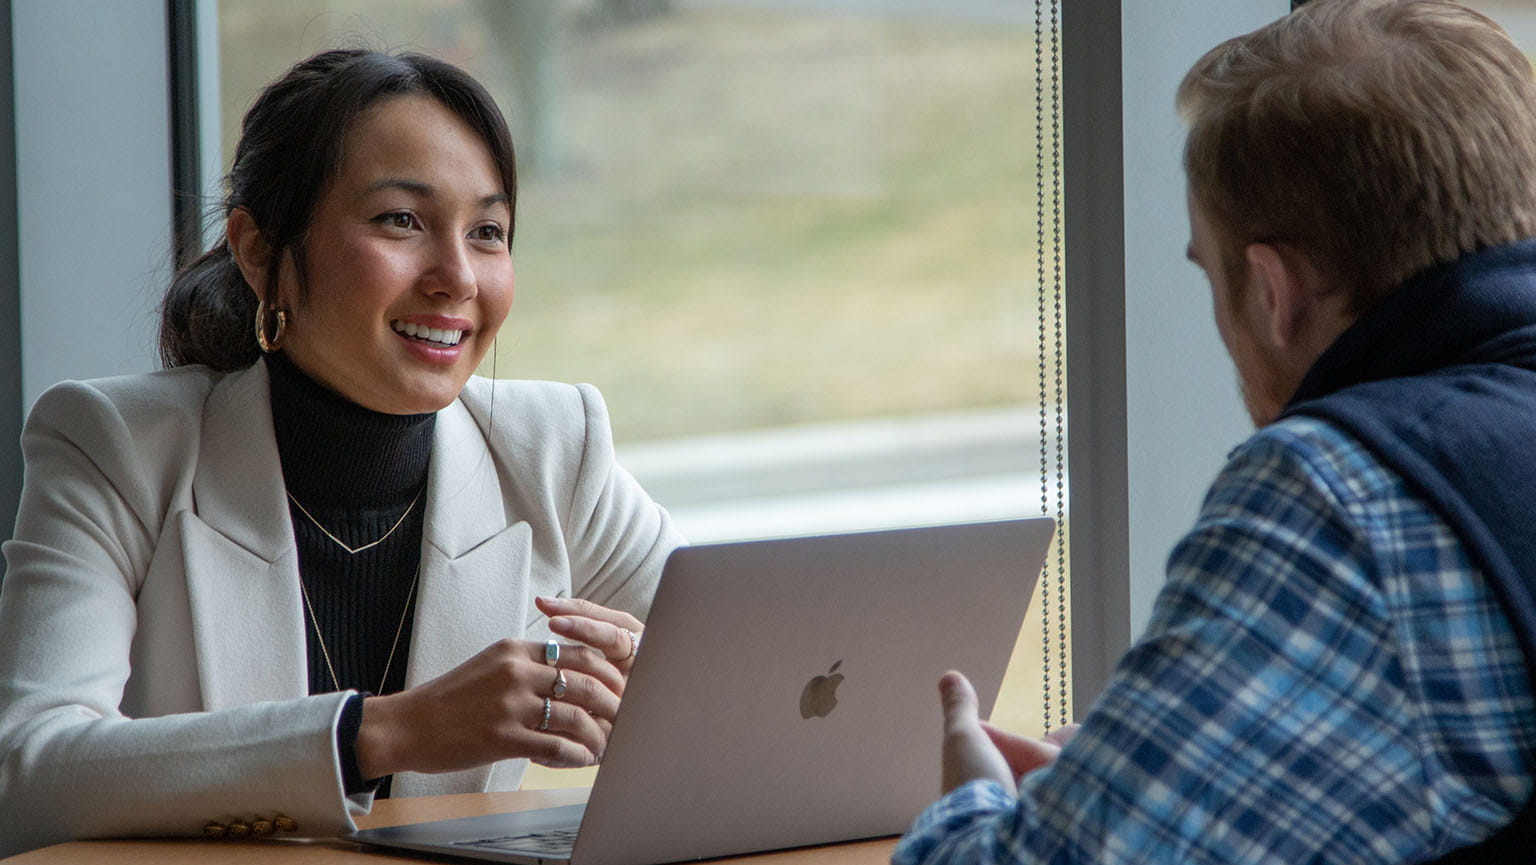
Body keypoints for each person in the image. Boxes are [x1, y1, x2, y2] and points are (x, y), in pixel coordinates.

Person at [0, 49, 684, 857]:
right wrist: (379, 732)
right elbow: (27, 772)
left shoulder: (554, 448)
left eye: (488, 231)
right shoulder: (115, 444)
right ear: (259, 252)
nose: (457, 276)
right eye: (402, 220)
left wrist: (661, 680)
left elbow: (765, 673)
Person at [896, 1, 1536, 862]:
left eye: (1209, 269)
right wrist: (1144, 789)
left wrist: (980, 802)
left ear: (1273, 290)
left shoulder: (1343, 495)